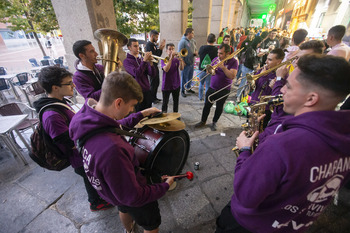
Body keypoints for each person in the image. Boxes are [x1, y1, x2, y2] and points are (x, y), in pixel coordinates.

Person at [216, 54, 350, 233]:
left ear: (311, 99)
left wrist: (245, 150)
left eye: (288, 86)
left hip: (249, 225)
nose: (282, 91)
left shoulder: (280, 146)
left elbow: (245, 195)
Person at [69, 71, 174, 233]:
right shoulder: (114, 149)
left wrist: (141, 114)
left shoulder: (82, 116)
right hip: (132, 193)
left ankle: (129, 230)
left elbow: (111, 126)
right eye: (132, 106)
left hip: (110, 189)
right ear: (118, 103)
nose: (132, 110)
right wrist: (163, 187)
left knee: (123, 207)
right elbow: (134, 197)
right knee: (151, 225)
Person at [33, 66, 113, 212]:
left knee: (89, 178)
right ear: (55, 87)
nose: (73, 85)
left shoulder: (60, 101)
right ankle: (95, 202)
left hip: (81, 154)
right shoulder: (51, 115)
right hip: (78, 158)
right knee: (90, 179)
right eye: (69, 83)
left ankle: (97, 198)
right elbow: (67, 141)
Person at [259, 40, 325, 145]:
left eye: (301, 58)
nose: (295, 62)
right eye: (297, 58)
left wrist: (279, 79)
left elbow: (280, 101)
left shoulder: (309, 81)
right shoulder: (296, 73)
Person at [194, 44, 238, 131]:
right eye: (218, 53)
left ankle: (214, 122)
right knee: (207, 105)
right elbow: (209, 70)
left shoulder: (233, 61)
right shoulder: (216, 59)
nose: (218, 55)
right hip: (212, 87)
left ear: (227, 53)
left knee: (219, 107)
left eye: (221, 53)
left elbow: (232, 76)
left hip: (223, 89)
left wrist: (223, 68)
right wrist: (211, 72)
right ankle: (203, 121)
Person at [250, 48, 285, 128]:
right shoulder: (263, 70)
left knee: (259, 129)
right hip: (254, 103)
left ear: (278, 61)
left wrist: (274, 86)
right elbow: (252, 87)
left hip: (265, 109)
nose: (266, 62)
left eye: (269, 60)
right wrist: (259, 76)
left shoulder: (282, 75)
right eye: (267, 59)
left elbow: (279, 96)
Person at [123, 38, 156, 111]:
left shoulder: (140, 59)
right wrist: (144, 61)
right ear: (129, 48)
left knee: (149, 114)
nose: (137, 48)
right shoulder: (127, 61)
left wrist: (150, 63)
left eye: (138, 46)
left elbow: (152, 74)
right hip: (136, 92)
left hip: (147, 91)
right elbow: (136, 74)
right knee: (140, 115)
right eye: (135, 46)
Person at [160, 43, 184, 113]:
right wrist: (171, 58)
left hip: (176, 84)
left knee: (176, 102)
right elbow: (166, 69)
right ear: (166, 51)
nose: (171, 51)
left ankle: (175, 115)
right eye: (169, 49)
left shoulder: (176, 60)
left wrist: (181, 61)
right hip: (166, 85)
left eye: (172, 49)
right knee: (165, 103)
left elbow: (181, 68)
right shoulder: (163, 60)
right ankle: (163, 116)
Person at [145, 30, 166, 104]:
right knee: (153, 83)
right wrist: (160, 49)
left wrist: (161, 48)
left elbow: (157, 55)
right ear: (152, 36)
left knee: (156, 83)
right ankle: (152, 98)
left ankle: (154, 97)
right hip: (151, 66)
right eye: (156, 37)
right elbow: (154, 56)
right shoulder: (149, 45)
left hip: (155, 66)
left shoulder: (153, 44)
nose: (157, 38)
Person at [197, 33, 218, 100]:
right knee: (208, 85)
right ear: (215, 40)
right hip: (210, 70)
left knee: (201, 83)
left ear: (207, 40)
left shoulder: (202, 47)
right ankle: (206, 99)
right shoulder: (216, 49)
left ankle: (200, 97)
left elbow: (199, 54)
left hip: (201, 69)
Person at [178, 28, 197, 97]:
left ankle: (188, 88)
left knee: (190, 77)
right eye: (192, 33)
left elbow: (195, 49)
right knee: (184, 77)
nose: (193, 35)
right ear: (188, 33)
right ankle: (182, 90)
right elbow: (180, 53)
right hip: (185, 63)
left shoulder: (193, 41)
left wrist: (195, 52)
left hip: (192, 62)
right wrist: (182, 61)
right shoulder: (182, 42)